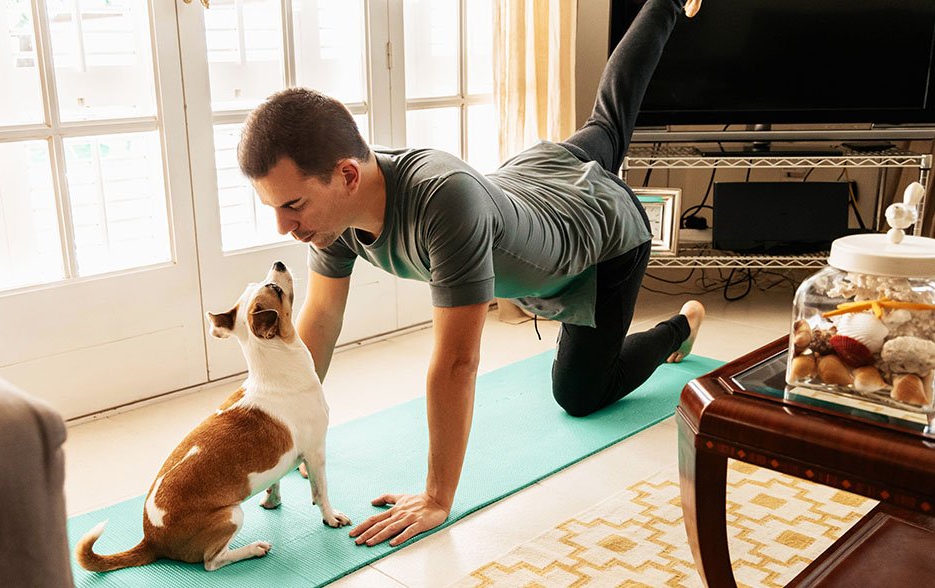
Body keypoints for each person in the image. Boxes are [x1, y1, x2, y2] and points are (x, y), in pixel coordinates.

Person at [236, 0, 705, 548]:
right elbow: (321, 317)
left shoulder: (441, 201)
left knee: (580, 395)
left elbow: (457, 361)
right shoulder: (333, 212)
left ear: (345, 175)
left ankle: (681, 327)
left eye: (291, 205)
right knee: (607, 121)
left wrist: (437, 496)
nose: (283, 226)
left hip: (598, 234)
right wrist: (288, 426)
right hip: (539, 171)